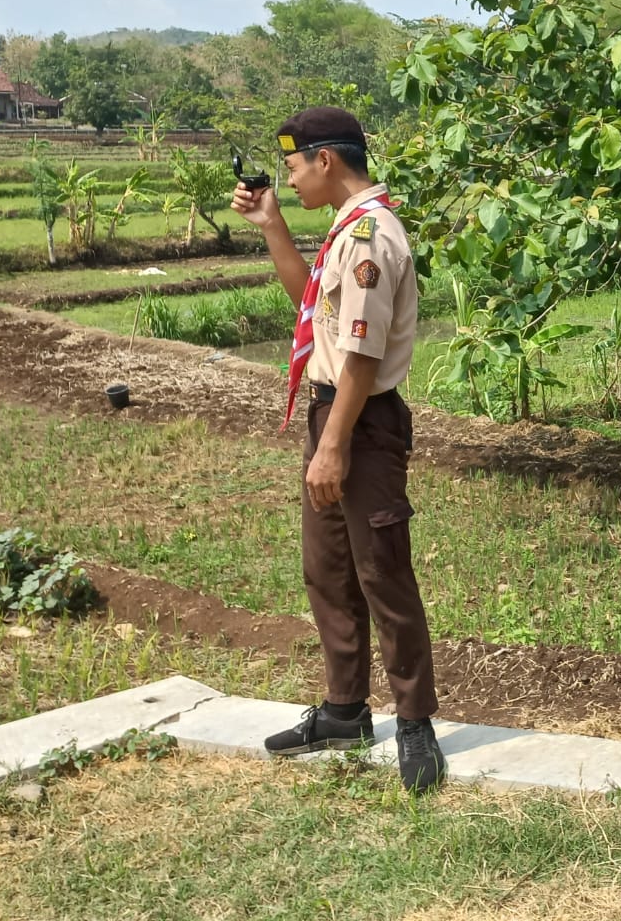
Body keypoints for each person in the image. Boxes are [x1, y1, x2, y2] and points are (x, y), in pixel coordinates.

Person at [232, 105, 445, 794]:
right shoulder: (343, 229)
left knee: (382, 572)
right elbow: (311, 311)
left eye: (293, 168)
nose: (289, 179)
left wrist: (333, 447)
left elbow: (360, 354)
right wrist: (272, 226)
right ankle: (346, 711)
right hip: (334, 414)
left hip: (360, 420)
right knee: (328, 570)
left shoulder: (370, 238)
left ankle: (414, 722)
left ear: (326, 160)